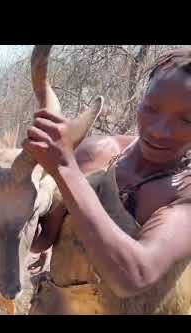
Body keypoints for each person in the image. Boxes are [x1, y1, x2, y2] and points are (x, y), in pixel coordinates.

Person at [23, 48, 191, 314]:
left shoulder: (185, 193)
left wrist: (65, 168)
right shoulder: (96, 153)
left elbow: (133, 276)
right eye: (151, 108)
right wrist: (6, 189)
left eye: (187, 120)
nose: (159, 131)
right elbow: (41, 239)